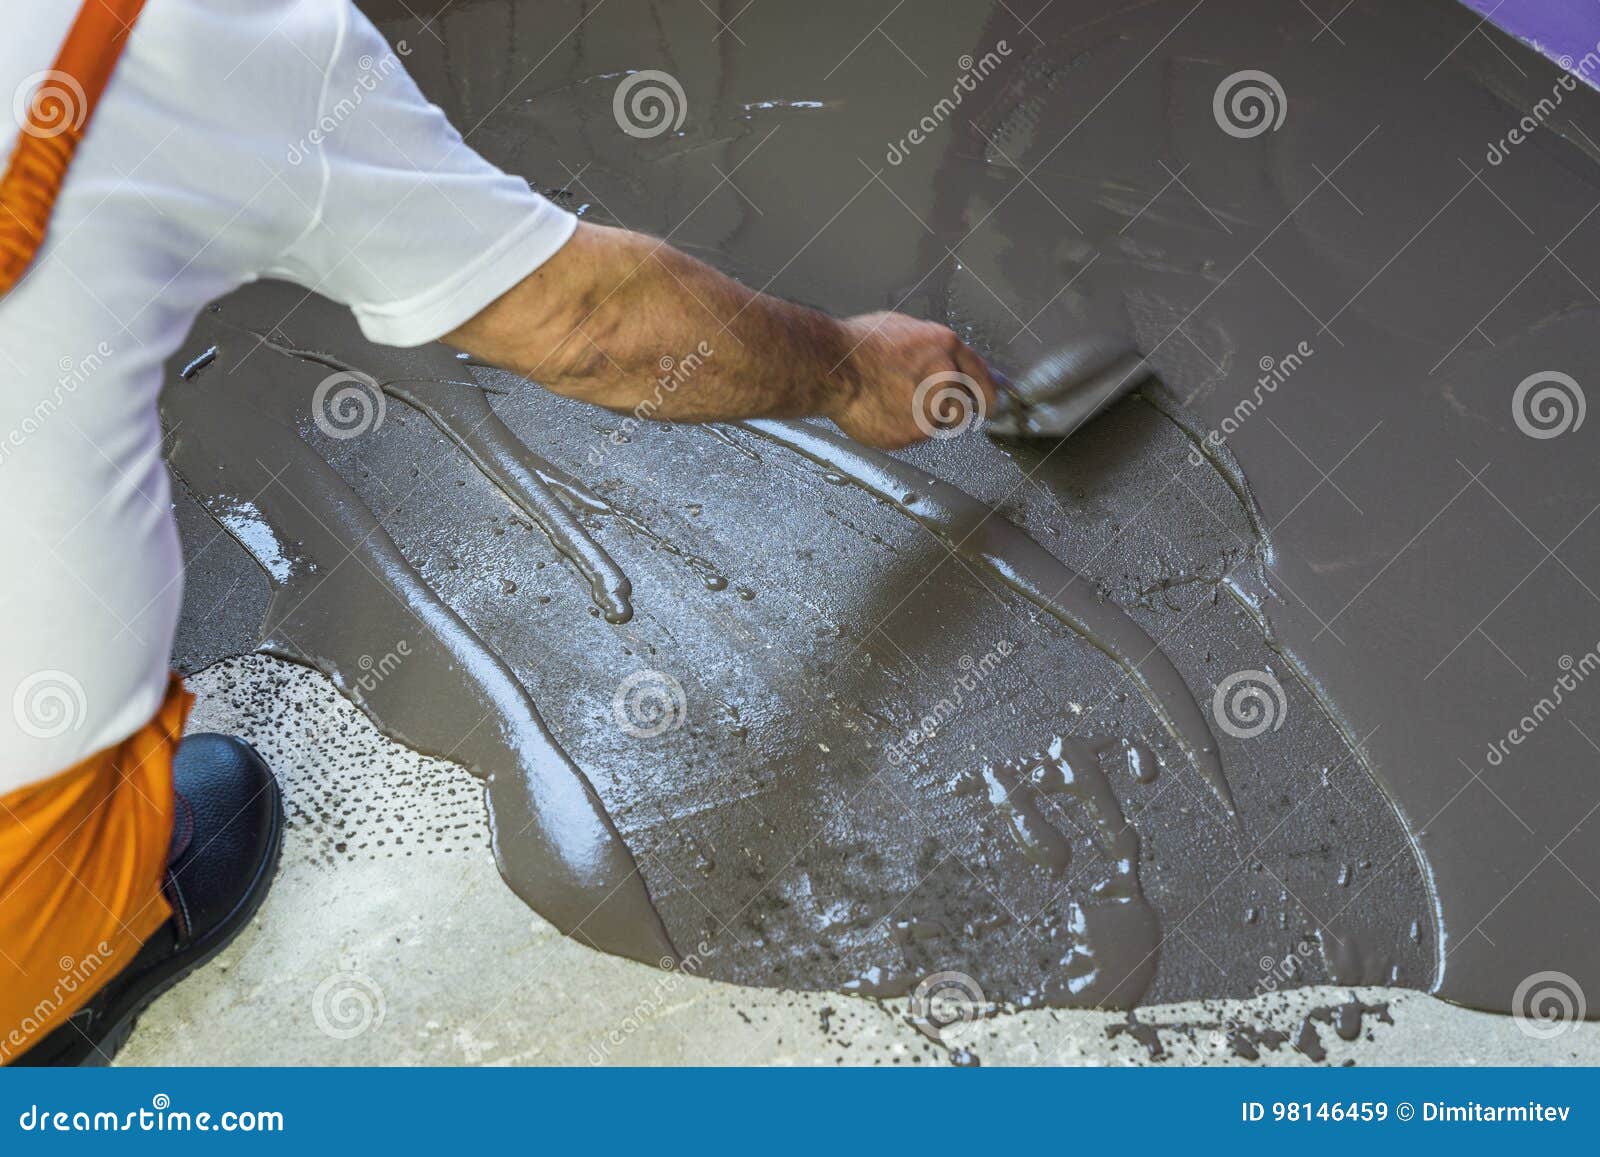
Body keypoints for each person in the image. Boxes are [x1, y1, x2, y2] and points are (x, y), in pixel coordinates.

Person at [0, 0, 998, 1065]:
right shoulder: (188, 33)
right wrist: (846, 366)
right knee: (61, 894)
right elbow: (592, 323)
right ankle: (65, 971)